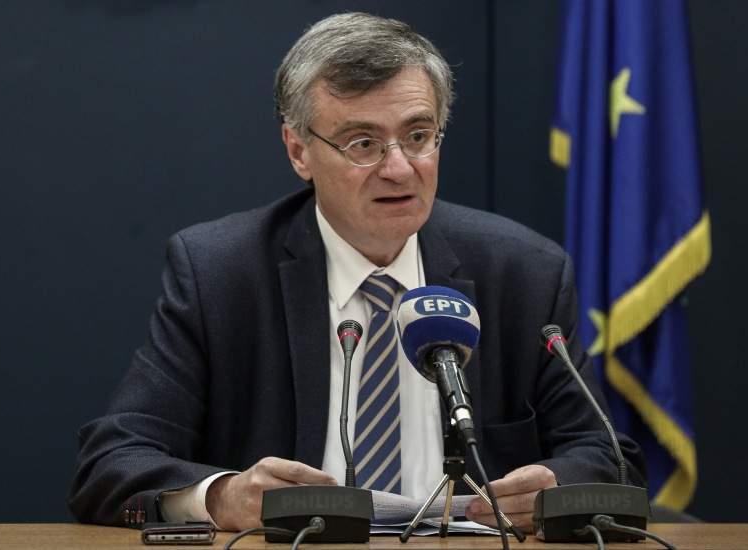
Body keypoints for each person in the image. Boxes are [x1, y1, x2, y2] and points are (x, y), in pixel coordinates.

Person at [69, 12, 644, 533]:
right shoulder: (221, 273)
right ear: (299, 151)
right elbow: (111, 462)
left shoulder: (522, 273)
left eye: (418, 137)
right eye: (363, 143)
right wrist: (221, 498)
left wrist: (553, 487)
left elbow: (609, 458)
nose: (399, 169)